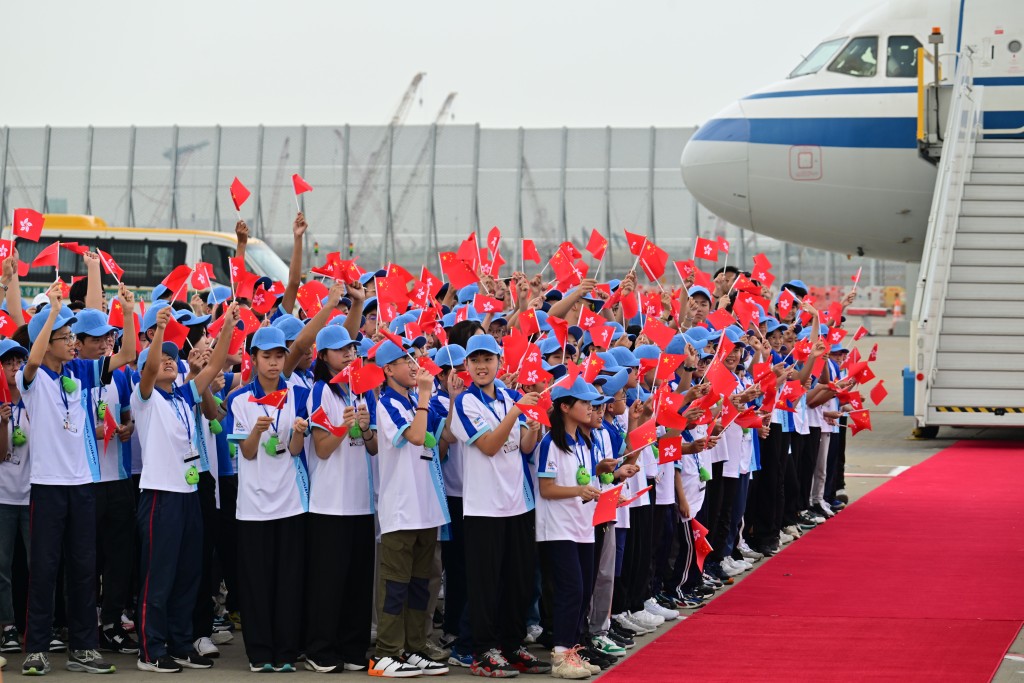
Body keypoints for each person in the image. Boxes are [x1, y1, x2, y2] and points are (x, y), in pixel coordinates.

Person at [18, 281, 137, 676]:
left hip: (82, 485)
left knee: (85, 569)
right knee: (46, 568)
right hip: (48, 486)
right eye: (65, 337)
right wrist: (52, 313)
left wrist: (127, 312)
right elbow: (33, 362)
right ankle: (36, 648)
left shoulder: (83, 372)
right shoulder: (31, 381)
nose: (73, 343)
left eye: (72, 336)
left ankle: (83, 648)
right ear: (46, 340)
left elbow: (130, 354)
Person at [133, 303, 238, 672]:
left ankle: (179, 643)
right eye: (161, 358)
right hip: (160, 496)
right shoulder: (145, 397)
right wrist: (160, 331)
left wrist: (226, 326)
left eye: (172, 359)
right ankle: (151, 649)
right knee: (159, 576)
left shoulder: (183, 395)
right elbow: (148, 368)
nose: (167, 362)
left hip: (189, 495)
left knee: (188, 574)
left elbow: (214, 365)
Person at [450, 335, 548, 677]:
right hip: (483, 508)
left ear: (499, 362)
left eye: (487, 359)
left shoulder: (508, 396)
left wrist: (532, 429)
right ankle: (483, 650)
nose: (481, 365)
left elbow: (523, 446)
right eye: (475, 360)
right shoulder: (464, 403)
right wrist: (517, 412)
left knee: (518, 580)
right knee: (486, 583)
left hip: (517, 502)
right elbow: (490, 445)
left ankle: (512, 643)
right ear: (466, 366)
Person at [371, 340, 450, 678]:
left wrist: (445, 393)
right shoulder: (387, 404)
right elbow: (417, 437)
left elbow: (444, 430)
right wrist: (423, 396)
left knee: (421, 583)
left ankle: (415, 646)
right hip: (401, 507)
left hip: (426, 506)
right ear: (388, 370)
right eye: (404, 361)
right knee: (395, 583)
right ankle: (387, 652)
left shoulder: (417, 401)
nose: (413, 365)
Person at [303, 325, 378, 674]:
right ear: (323, 357)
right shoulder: (321, 391)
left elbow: (374, 447)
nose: (349, 354)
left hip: (361, 501)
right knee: (328, 582)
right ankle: (321, 648)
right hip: (329, 503)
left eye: (352, 349)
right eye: (341, 350)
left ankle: (353, 647)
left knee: (358, 581)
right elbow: (321, 448)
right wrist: (340, 427)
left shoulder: (363, 391)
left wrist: (364, 428)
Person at [536, 377, 608, 680]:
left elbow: (584, 479)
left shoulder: (584, 441)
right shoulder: (550, 442)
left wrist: (605, 473)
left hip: (582, 525)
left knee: (583, 590)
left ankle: (574, 649)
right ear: (565, 407)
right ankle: (561, 654)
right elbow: (547, 488)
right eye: (585, 403)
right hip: (557, 527)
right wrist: (578, 492)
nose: (591, 408)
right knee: (571, 589)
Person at [0, 340, 30, 657]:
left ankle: (38, 626)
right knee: (2, 566)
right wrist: (3, 422)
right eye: (7, 362)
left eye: (19, 360)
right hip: (3, 497)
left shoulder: (36, 400)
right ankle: (8, 627)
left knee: (40, 565)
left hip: (34, 497)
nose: (14, 366)